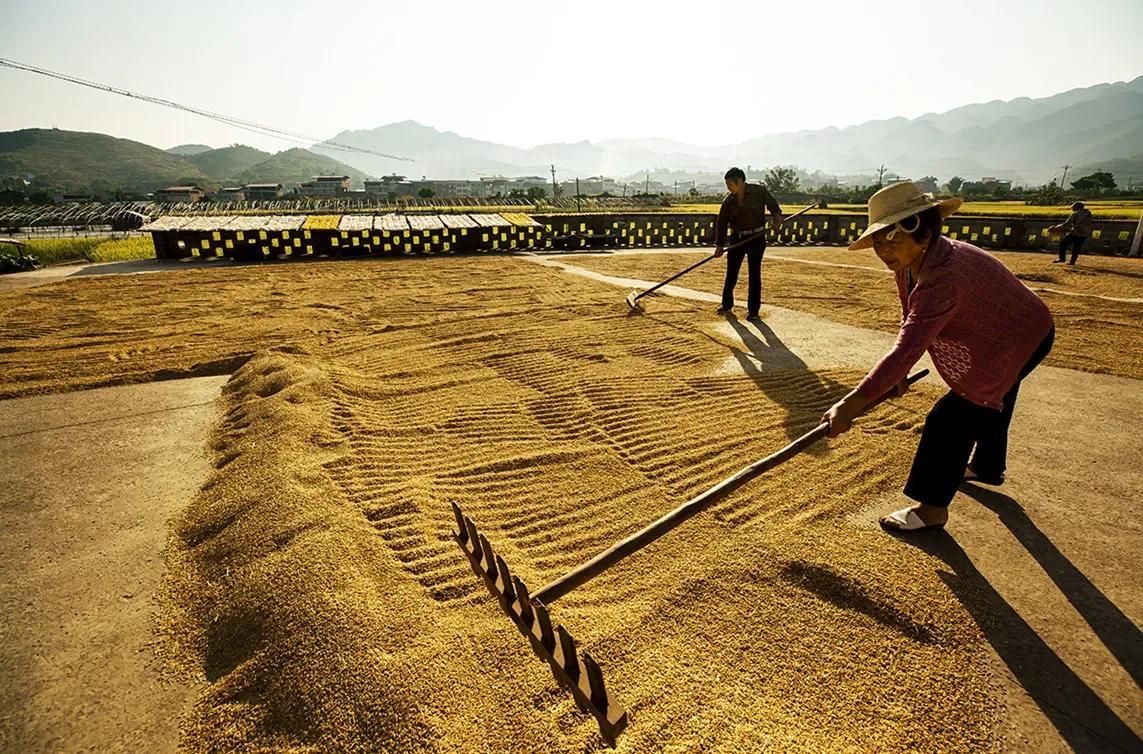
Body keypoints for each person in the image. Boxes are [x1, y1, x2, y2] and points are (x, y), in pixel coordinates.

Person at [821, 181, 1055, 532]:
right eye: (877, 241)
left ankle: (931, 508)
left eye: (891, 237)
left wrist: (850, 405)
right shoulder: (909, 262)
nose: (883, 249)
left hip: (1021, 334)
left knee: (953, 417)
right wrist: (897, 373)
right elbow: (910, 322)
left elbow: (908, 347)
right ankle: (988, 467)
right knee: (995, 398)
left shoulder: (946, 274)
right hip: (1006, 330)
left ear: (924, 231)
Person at [714, 167, 782, 320]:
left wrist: (777, 220)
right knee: (731, 272)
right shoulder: (729, 200)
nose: (728, 188)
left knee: (754, 274)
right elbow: (722, 223)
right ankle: (726, 304)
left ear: (740, 181)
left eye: (730, 185)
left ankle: (753, 311)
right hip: (737, 238)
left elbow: (774, 207)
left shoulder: (759, 192)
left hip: (756, 237)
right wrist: (719, 246)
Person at [1050, 201, 1094, 265]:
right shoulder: (1088, 213)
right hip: (1085, 233)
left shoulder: (1075, 214)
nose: (1072, 209)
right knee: (1076, 248)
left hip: (1075, 233)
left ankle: (1062, 258)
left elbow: (1067, 223)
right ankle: (1072, 262)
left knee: (1063, 244)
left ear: (1076, 207)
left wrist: (1057, 227)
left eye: (1073, 207)